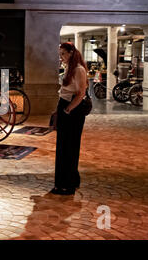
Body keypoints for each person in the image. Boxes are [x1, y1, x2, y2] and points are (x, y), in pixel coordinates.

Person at [51, 42, 88, 195]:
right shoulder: (69, 68)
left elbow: (81, 93)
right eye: (60, 55)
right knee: (62, 147)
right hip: (65, 107)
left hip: (73, 110)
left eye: (63, 54)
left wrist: (67, 110)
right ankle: (67, 181)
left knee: (70, 147)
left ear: (71, 52)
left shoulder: (79, 69)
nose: (61, 58)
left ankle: (68, 185)